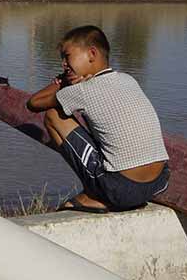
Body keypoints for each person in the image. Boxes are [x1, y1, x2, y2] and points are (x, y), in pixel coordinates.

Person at [26, 25, 170, 213]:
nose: (63, 64)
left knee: (54, 116)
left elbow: (33, 103)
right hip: (160, 182)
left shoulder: (81, 90)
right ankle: (107, 192)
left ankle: (95, 195)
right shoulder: (128, 79)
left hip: (122, 189)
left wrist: (62, 82)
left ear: (91, 54)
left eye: (67, 56)